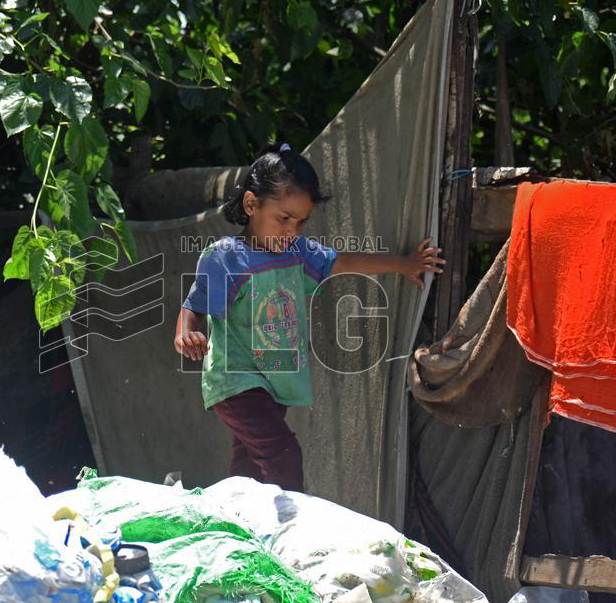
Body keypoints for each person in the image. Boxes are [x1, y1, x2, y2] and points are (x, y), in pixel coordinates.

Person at [173, 142, 444, 492]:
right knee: (282, 454)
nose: (292, 231)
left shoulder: (297, 252)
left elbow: (343, 263)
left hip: (277, 384)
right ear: (252, 204)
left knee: (248, 473)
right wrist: (186, 334)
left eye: (301, 222)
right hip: (236, 383)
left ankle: (232, 524)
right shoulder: (225, 257)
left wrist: (403, 264)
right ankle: (298, 531)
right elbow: (193, 307)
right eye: (284, 219)